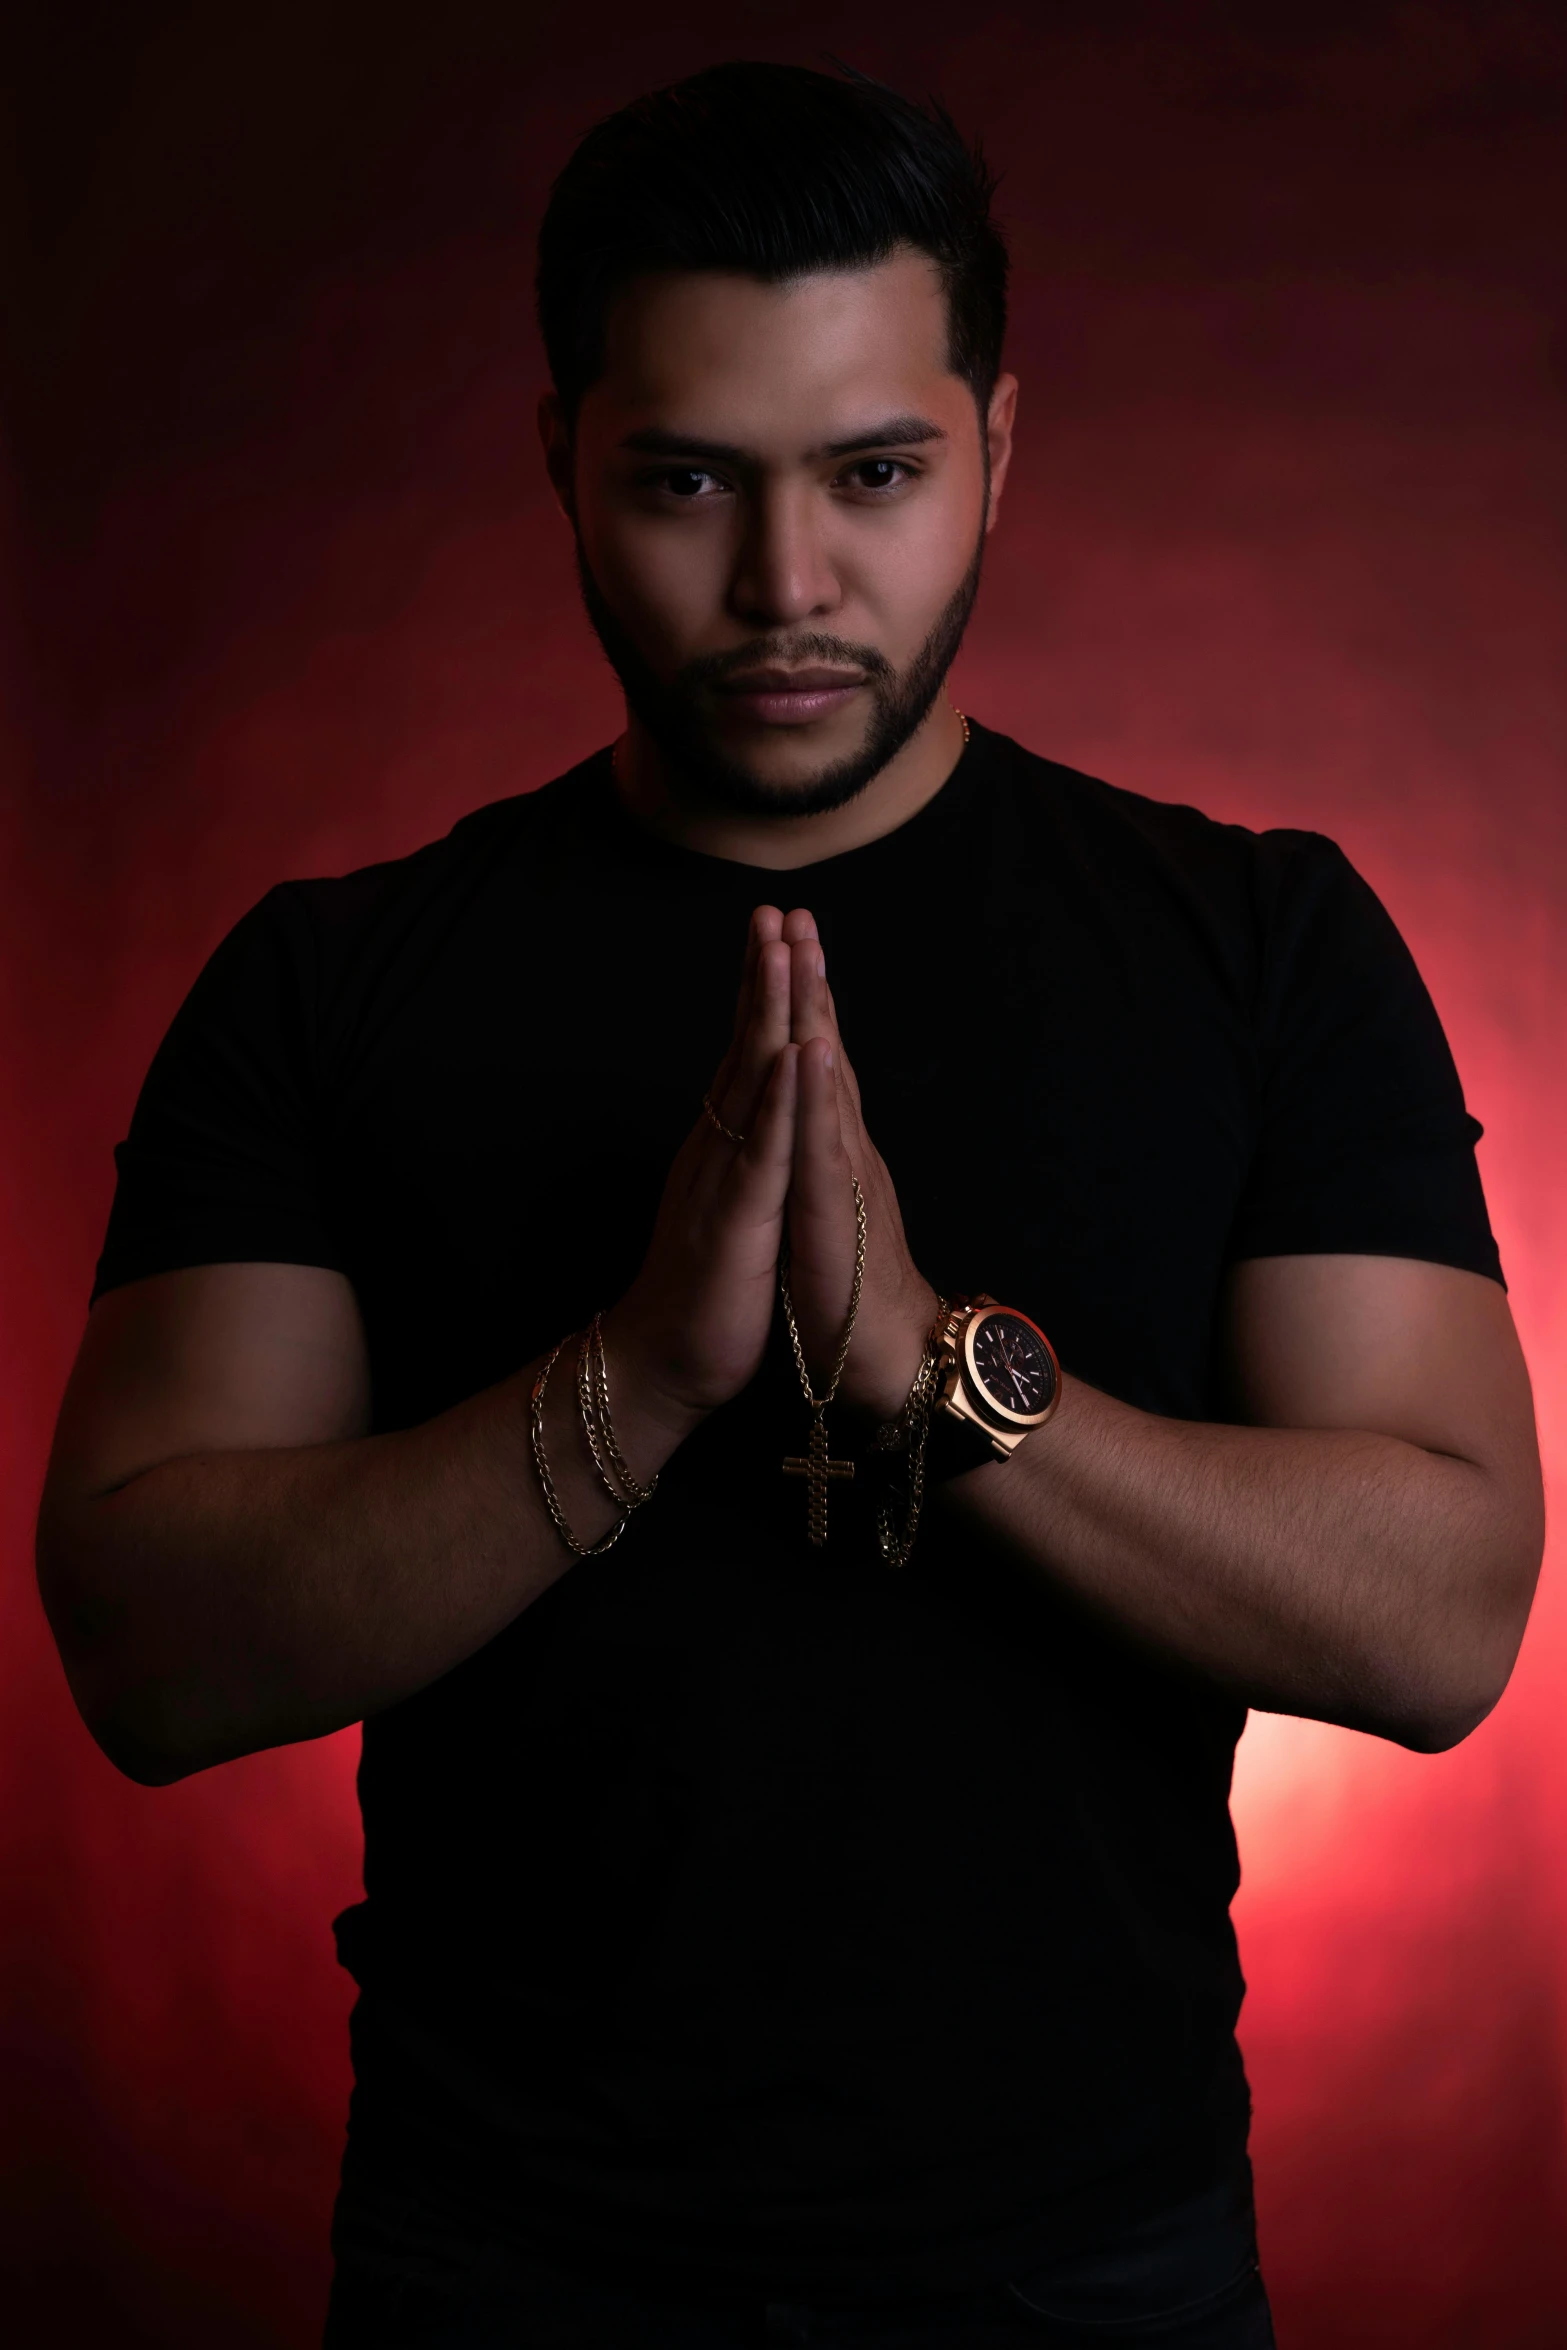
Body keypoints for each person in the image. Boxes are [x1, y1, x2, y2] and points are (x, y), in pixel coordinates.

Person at [36, 60, 1543, 2350]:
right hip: (502, 2260)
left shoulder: (1263, 944)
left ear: (999, 451)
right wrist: (636, 1380)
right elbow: (142, 1647)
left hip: (1097, 2261)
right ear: (561, 458)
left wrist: (936, 1364)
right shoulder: (328, 982)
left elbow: (1443, 1620)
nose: (786, 581)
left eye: (874, 472)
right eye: (683, 482)